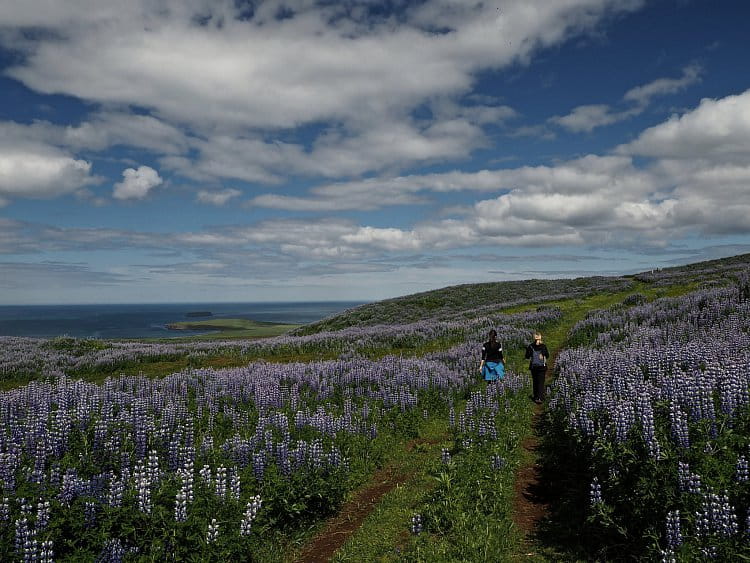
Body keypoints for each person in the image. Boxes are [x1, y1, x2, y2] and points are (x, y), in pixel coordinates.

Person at [525, 331, 549, 404]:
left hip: (533, 367)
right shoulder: (543, 346)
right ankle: (540, 398)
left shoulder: (530, 346)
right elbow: (547, 355)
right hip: (542, 367)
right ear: (540, 337)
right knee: (541, 382)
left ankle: (536, 397)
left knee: (535, 382)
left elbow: (527, 356)